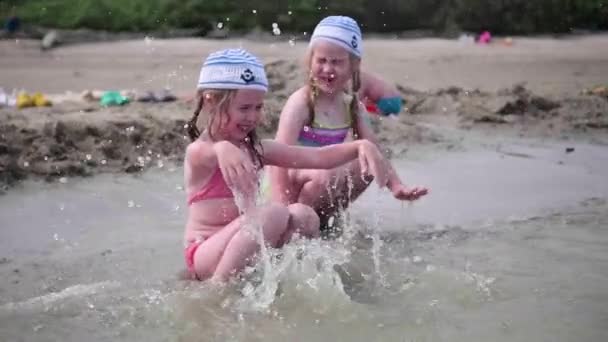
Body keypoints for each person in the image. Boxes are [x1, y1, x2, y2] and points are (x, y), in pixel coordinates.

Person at [183, 48, 389, 282]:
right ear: (211, 102)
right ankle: (216, 290)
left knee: (304, 216)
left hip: (242, 243)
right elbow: (206, 153)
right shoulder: (200, 152)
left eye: (258, 107)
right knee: (274, 212)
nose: (252, 117)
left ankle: (292, 281)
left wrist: (359, 146)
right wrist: (222, 148)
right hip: (204, 253)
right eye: (244, 108)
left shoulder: (257, 150)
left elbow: (318, 158)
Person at [268, 16, 428, 229]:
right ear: (310, 61)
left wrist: (397, 186)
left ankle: (325, 220)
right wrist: (282, 205)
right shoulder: (303, 102)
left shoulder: (352, 105)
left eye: (336, 62)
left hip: (321, 177)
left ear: (354, 65)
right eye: (321, 61)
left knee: (368, 164)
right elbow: (278, 157)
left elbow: (376, 152)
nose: (327, 69)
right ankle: (297, 223)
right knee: (327, 173)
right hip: (288, 183)